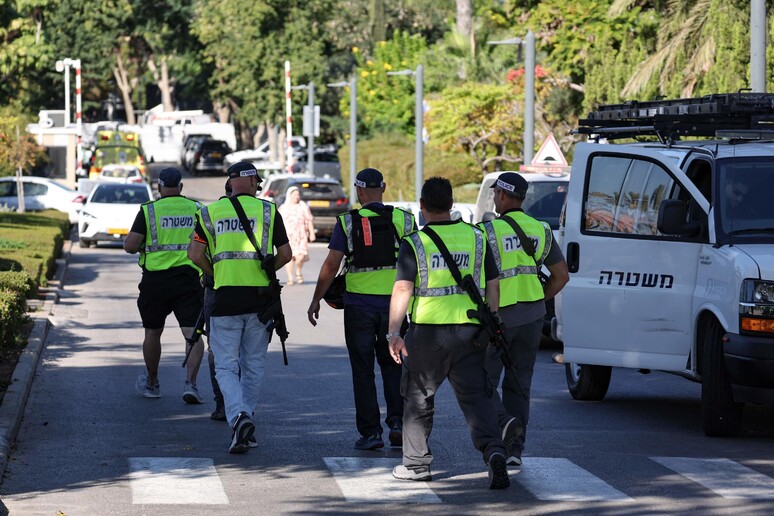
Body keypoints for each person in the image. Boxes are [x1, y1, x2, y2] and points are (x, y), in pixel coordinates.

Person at [386, 176, 515, 489]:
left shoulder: (415, 242)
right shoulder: (477, 237)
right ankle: (494, 451)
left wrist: (393, 332)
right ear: (452, 204)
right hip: (470, 333)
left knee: (418, 398)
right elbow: (493, 285)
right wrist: (492, 320)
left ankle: (416, 465)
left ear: (422, 206)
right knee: (477, 398)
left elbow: (403, 287)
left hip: (428, 335)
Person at [307, 168, 416, 450]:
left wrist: (316, 298)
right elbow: (420, 260)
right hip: (395, 307)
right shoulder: (405, 219)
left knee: (363, 371)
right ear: (384, 187)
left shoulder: (347, 222)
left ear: (358, 191)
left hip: (359, 307)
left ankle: (370, 433)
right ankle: (397, 423)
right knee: (394, 367)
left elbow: (332, 265)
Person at [188, 161, 291, 453]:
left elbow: (194, 254)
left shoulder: (208, 212)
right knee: (253, 365)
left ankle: (239, 419)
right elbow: (286, 254)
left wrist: (214, 273)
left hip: (224, 300)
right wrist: (269, 267)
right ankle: (244, 421)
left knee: (225, 367)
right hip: (260, 301)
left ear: (231, 182)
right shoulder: (269, 211)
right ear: (254, 183)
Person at [479, 172, 569, 467]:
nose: (494, 198)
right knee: (520, 383)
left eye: (495, 194)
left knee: (483, 381)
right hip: (532, 318)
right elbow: (561, 276)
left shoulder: (488, 232)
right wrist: (538, 299)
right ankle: (515, 449)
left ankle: (499, 436)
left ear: (504, 196)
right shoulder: (541, 229)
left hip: (498, 318)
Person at [123, 167, 206, 403]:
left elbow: (130, 245)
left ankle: (152, 383)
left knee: (152, 332)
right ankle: (191, 384)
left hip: (155, 282)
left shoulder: (149, 211)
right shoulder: (197, 209)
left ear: (158, 188)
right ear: (181, 187)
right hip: (189, 279)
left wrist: (142, 246)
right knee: (193, 334)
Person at [279, 186, 315, 285]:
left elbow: (309, 220)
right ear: (289, 195)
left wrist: (312, 233)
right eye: (294, 194)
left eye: (298, 194)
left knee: (301, 256)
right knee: (289, 257)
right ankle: (290, 277)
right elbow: (278, 223)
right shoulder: (283, 208)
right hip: (288, 236)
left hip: (301, 235)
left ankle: (298, 271)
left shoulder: (303, 206)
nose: (297, 196)